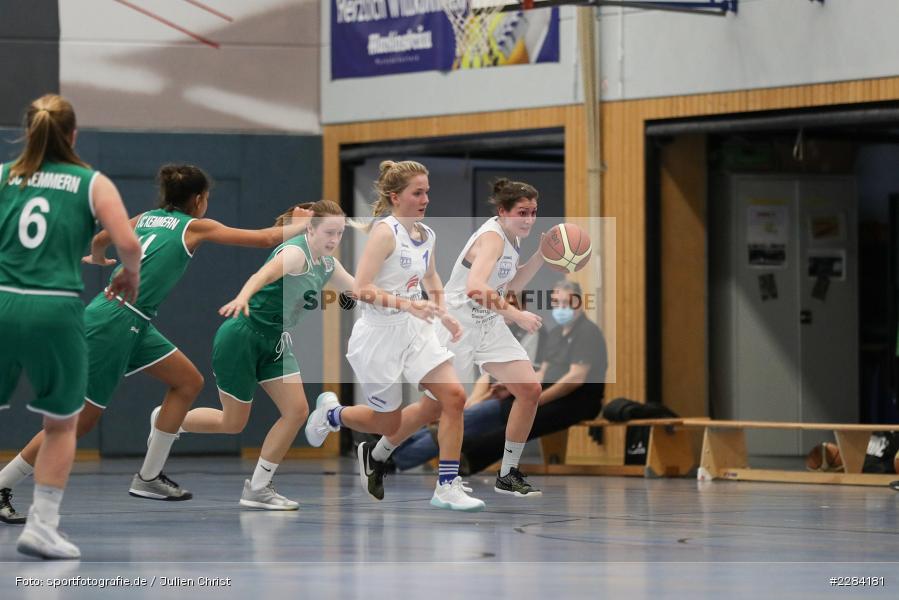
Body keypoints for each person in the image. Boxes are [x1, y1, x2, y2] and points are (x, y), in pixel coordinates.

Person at [0, 164, 312, 514]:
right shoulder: (195, 227)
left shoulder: (146, 217)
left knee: (187, 382)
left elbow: (102, 237)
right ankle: (2, 484)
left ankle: (148, 478)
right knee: (79, 422)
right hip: (113, 323)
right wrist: (303, 222)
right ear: (198, 200)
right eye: (206, 197)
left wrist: (100, 257)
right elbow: (267, 238)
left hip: (134, 320)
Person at [0, 94, 142, 559]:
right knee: (61, 424)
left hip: (2, 301)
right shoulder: (91, 182)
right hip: (54, 308)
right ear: (74, 135)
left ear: (30, 131)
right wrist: (128, 275)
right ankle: (42, 525)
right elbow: (128, 242)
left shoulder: (4, 176)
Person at [305, 160, 485, 512]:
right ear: (395, 197)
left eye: (427, 192)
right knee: (387, 421)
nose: (425, 199)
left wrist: (443, 313)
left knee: (453, 398)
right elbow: (359, 288)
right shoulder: (385, 233)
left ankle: (447, 485)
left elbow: (431, 278)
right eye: (417, 193)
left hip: (415, 329)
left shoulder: (426, 234)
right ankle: (332, 415)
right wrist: (406, 304)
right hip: (379, 335)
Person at [360, 178, 547, 498]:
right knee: (433, 409)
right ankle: (377, 455)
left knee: (529, 391)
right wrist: (516, 315)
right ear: (502, 211)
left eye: (533, 212)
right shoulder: (492, 238)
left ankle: (508, 472)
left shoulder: (512, 238)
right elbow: (476, 287)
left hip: (488, 324)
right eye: (522, 212)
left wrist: (542, 254)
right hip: (457, 327)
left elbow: (509, 286)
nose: (529, 219)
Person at [180, 199, 355, 510]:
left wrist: (408, 302)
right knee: (232, 424)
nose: (334, 240)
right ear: (310, 228)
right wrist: (242, 297)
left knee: (297, 411)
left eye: (340, 234)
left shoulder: (327, 264)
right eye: (329, 232)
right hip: (242, 336)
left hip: (275, 342)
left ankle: (258, 487)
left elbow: (359, 289)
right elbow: (261, 276)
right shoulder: (295, 253)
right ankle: (171, 420)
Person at [455, 280, 607, 475]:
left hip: (579, 401)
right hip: (553, 394)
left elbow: (575, 378)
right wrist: (513, 386)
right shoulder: (555, 334)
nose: (561, 308)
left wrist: (539, 399)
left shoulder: (588, 332)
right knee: (515, 410)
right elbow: (542, 372)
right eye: (556, 303)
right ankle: (464, 446)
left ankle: (470, 457)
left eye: (566, 303)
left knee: (531, 418)